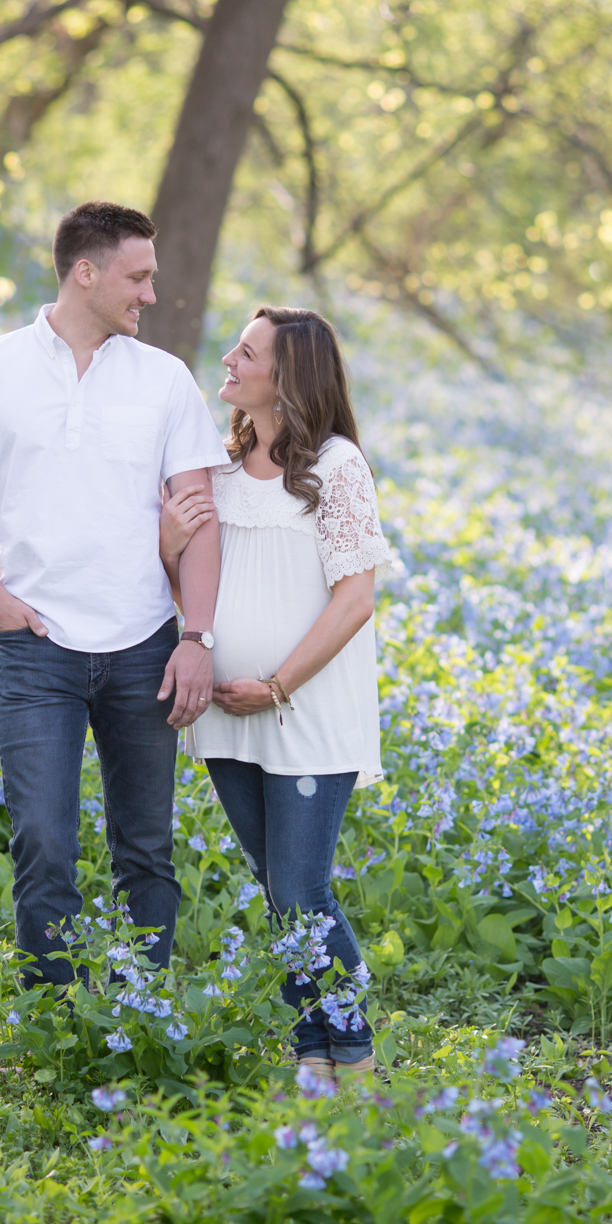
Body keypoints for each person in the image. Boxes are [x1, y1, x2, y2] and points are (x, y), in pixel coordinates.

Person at [0, 201, 229, 985]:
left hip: (144, 650)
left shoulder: (164, 381)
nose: (151, 295)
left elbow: (200, 521)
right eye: (138, 277)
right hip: (38, 652)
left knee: (145, 851)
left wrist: (196, 637)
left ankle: (141, 1015)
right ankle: (53, 1025)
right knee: (43, 846)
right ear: (84, 273)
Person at [159, 306, 394, 1088]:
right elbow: (189, 585)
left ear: (287, 375)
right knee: (276, 886)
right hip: (230, 713)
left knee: (301, 887)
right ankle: (312, 1055)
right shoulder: (217, 468)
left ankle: (353, 1056)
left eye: (247, 351)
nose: (228, 357)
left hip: (303, 711)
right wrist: (167, 548)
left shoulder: (336, 466)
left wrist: (278, 684)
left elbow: (354, 599)